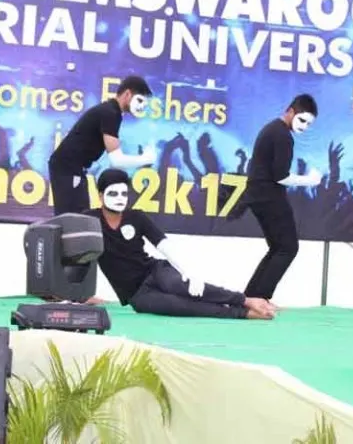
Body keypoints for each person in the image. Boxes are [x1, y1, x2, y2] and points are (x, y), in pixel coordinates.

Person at [86, 169, 275, 320]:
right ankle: (244, 314)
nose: (119, 198)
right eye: (113, 193)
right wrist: (78, 294)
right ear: (101, 196)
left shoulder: (136, 216)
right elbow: (74, 250)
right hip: (137, 295)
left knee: (183, 286)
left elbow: (163, 245)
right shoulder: (89, 221)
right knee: (182, 307)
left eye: (124, 193)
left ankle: (245, 301)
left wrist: (189, 273)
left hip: (155, 271)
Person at [233, 94, 321, 301]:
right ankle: (259, 299)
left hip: (259, 195)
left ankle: (252, 298)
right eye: (302, 120)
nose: (304, 127)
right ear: (289, 112)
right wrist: (310, 180)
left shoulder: (273, 129)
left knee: (278, 248)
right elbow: (281, 176)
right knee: (288, 248)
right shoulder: (282, 135)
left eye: (309, 124)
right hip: (269, 197)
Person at [48, 76, 156, 215]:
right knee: (73, 217)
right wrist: (145, 158)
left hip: (72, 168)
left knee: (79, 216)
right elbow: (117, 161)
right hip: (67, 168)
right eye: (139, 100)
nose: (141, 106)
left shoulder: (111, 112)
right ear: (127, 94)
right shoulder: (110, 113)